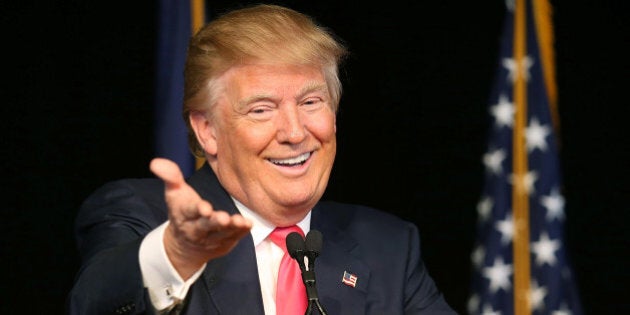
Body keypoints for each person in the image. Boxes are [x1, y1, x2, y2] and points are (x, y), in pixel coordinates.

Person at [67, 4, 456, 315]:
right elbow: (92, 303)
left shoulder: (387, 245)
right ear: (208, 130)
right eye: (261, 110)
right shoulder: (142, 215)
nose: (293, 132)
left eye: (310, 102)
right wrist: (176, 253)